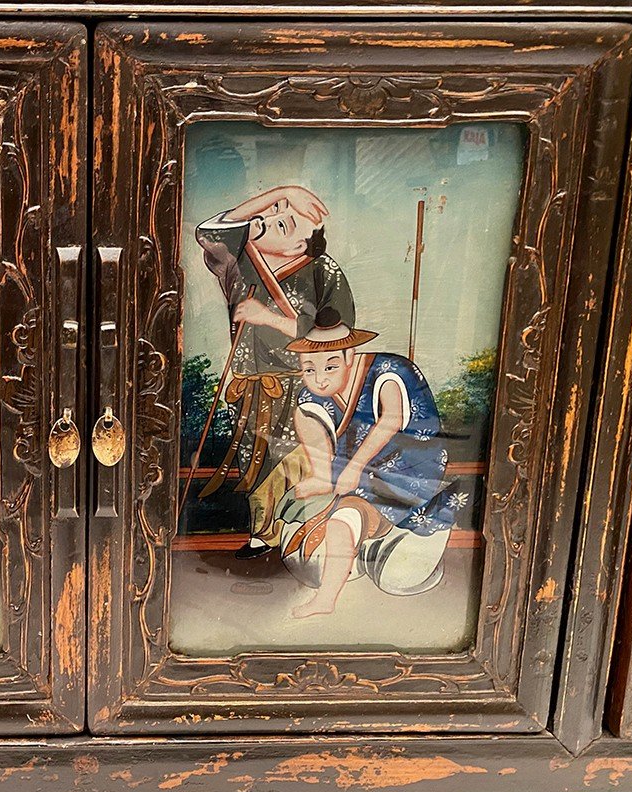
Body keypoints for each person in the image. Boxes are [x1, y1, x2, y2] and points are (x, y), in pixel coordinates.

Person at [194, 185, 356, 563]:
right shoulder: (241, 263)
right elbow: (209, 233)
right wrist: (283, 192)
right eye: (269, 215)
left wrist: (267, 317)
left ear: (303, 244)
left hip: (303, 385)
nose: (273, 218)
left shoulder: (323, 271)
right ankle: (264, 533)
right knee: (255, 461)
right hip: (253, 388)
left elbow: (340, 333)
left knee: (302, 459)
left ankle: (305, 532)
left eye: (288, 221)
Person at [275, 308, 462, 618]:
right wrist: (327, 473)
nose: (319, 379)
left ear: (350, 355)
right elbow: (314, 426)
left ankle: (329, 595)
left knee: (348, 515)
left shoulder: (390, 370)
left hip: (409, 460)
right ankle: (343, 538)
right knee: (304, 413)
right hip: (352, 464)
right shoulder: (314, 396)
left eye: (330, 367)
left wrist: (354, 469)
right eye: (309, 369)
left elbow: (391, 420)